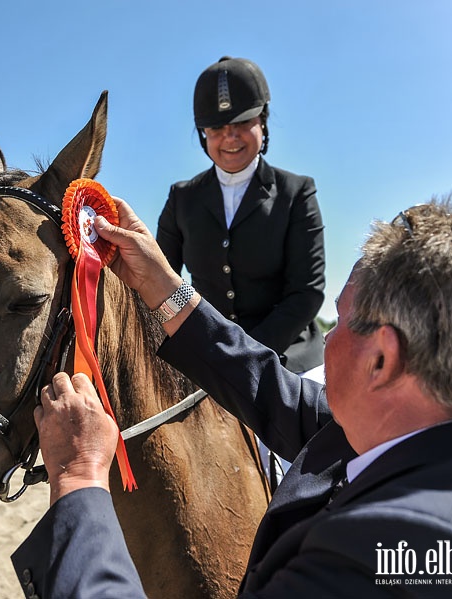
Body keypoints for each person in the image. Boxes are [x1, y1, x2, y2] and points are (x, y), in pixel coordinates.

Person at [12, 192, 452, 597]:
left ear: (382, 359)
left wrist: (79, 479)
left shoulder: (396, 553)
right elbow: (277, 394)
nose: (328, 335)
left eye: (344, 320)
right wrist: (164, 287)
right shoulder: (439, 431)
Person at [158, 57, 326, 483]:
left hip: (288, 361)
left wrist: (239, 357)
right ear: (203, 136)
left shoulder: (296, 192)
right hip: (208, 362)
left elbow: (306, 292)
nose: (228, 137)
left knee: (305, 475)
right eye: (216, 129)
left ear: (262, 124)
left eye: (241, 123)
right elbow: (162, 281)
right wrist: (197, 341)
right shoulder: (183, 199)